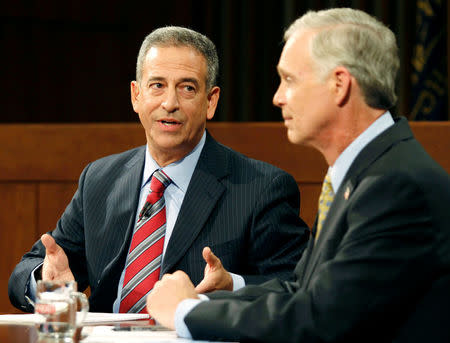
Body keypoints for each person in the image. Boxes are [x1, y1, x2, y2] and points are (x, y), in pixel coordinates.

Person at [145, 8, 450, 342]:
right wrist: (201, 300)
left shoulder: (396, 186)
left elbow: (321, 318)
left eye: (289, 80)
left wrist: (186, 313)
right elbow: (299, 289)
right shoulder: (367, 172)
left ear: (339, 85)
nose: (277, 97)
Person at [8, 26, 309, 314]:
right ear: (136, 95)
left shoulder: (261, 187)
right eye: (157, 86)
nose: (170, 103)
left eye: (187, 88)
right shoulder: (100, 179)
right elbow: (35, 266)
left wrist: (232, 286)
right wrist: (45, 284)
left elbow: (298, 287)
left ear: (210, 101)